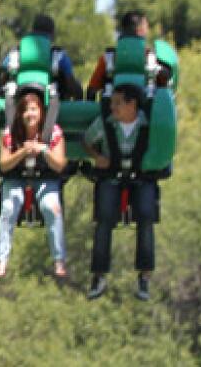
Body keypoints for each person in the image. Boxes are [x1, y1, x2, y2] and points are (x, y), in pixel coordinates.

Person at [83, 83, 159, 301]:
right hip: (112, 176)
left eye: (118, 103)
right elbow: (87, 141)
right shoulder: (106, 124)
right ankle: (99, 274)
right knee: (104, 218)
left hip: (141, 176)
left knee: (146, 214)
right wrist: (97, 156)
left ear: (132, 104)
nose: (113, 107)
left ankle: (144, 275)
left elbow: (163, 145)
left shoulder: (147, 124)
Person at [0, 89, 69, 278]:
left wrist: (43, 150)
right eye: (26, 110)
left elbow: (59, 165)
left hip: (45, 177)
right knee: (9, 207)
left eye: (34, 109)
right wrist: (23, 152)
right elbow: (3, 163)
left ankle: (59, 260)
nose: (30, 114)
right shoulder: (11, 133)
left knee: (52, 207)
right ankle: (2, 260)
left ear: (41, 111)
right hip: (16, 177)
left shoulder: (53, 132)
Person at [87, 10, 170, 97]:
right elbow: (164, 86)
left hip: (114, 108)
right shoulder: (150, 56)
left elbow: (91, 91)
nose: (147, 30)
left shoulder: (108, 57)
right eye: (146, 27)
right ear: (140, 30)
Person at [1, 14, 83, 100]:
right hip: (53, 105)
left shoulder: (15, 53)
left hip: (19, 102)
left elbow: (3, 75)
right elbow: (70, 82)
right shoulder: (59, 56)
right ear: (52, 33)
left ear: (33, 30)